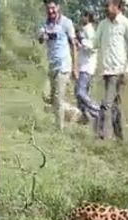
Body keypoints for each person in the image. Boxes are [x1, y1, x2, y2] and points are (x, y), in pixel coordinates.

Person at [92, 0, 128, 141]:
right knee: (115, 105)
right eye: (105, 5)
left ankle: (103, 136)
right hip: (106, 71)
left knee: (106, 104)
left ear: (117, 6)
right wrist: (81, 41)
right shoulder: (103, 24)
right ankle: (120, 137)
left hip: (119, 71)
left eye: (108, 5)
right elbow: (95, 43)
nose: (105, 8)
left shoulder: (126, 24)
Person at [38, 0, 77, 131]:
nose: (51, 11)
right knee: (47, 96)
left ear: (58, 7)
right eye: (48, 8)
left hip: (63, 65)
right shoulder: (45, 24)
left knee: (57, 99)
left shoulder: (67, 23)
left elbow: (73, 45)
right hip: (52, 66)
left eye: (53, 8)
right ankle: (74, 113)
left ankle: (59, 130)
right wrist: (43, 36)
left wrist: (75, 67)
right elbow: (40, 38)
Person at [75, 10, 99, 124]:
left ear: (88, 18)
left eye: (84, 16)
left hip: (87, 67)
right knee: (79, 97)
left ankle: (98, 110)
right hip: (82, 66)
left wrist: (81, 40)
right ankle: (84, 120)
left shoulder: (90, 31)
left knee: (80, 93)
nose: (81, 18)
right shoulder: (84, 30)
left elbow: (94, 47)